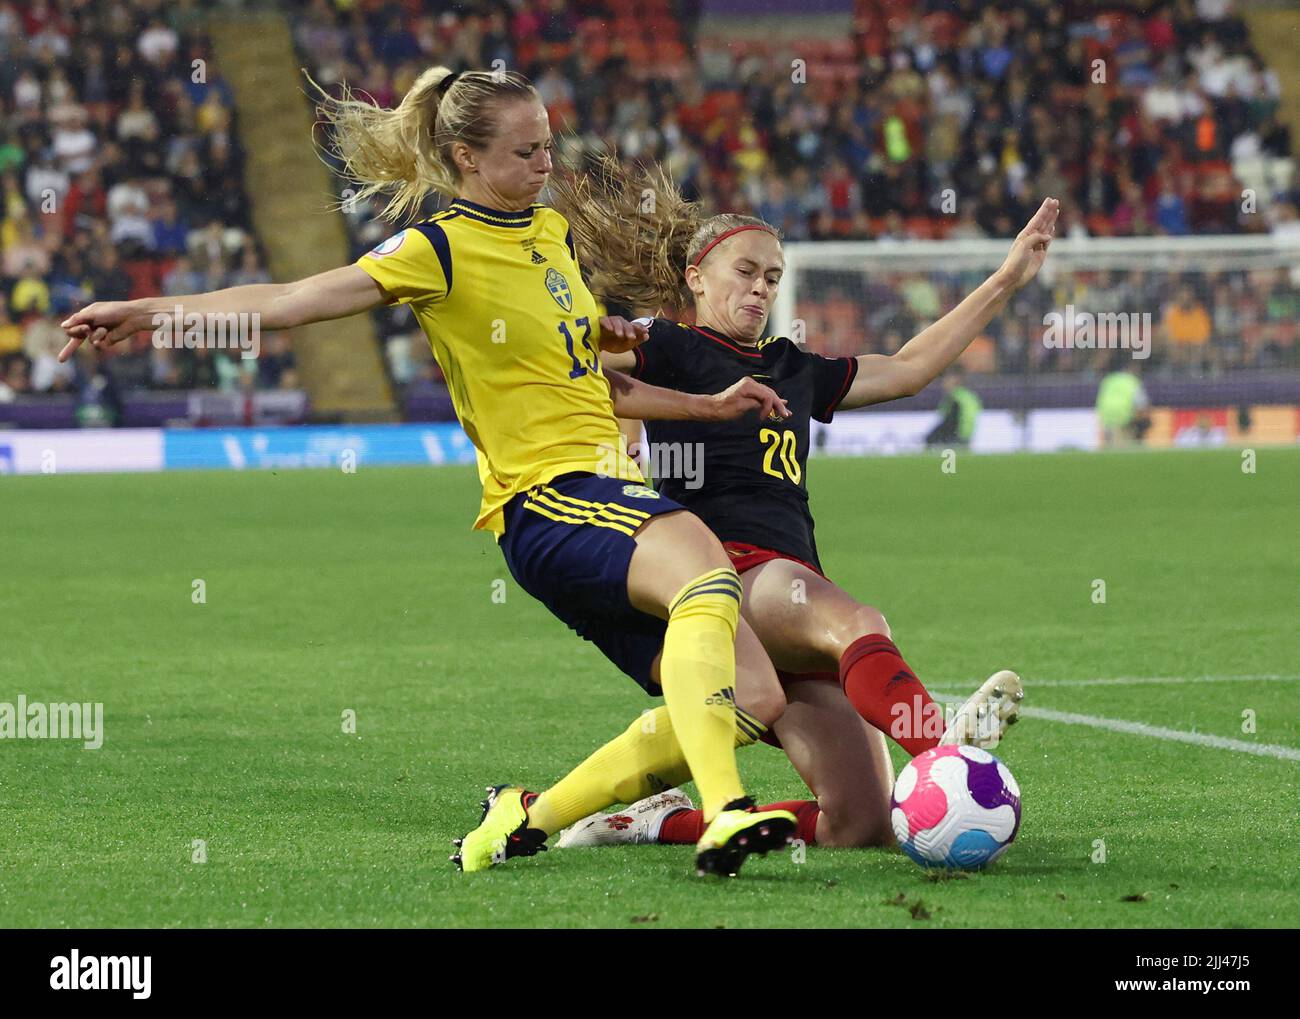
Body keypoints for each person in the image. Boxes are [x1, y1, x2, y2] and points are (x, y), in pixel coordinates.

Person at [55, 67, 800, 878]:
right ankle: (726, 813)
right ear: (465, 157)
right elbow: (298, 298)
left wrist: (709, 404)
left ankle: (523, 817)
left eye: (549, 145)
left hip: (603, 496)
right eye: (525, 152)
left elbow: (591, 373)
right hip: (549, 498)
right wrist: (151, 314)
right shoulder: (435, 248)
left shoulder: (550, 233)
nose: (547, 163)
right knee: (705, 570)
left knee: (752, 697)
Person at [504, 161, 1055, 852]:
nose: (762, 286)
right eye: (746, 270)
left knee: (862, 822)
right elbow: (578, 378)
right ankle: (942, 746)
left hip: (790, 594)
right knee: (858, 619)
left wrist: (1005, 279)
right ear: (696, 278)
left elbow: (911, 367)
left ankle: (651, 821)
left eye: (772, 275)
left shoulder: (792, 366)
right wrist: (609, 396)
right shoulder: (667, 345)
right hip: (728, 575)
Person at [924, 365, 982, 448]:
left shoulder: (956, 399)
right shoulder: (968, 396)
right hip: (966, 436)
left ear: (956, 380)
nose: (943, 383)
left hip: (957, 438)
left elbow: (950, 422)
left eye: (946, 380)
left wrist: (931, 438)